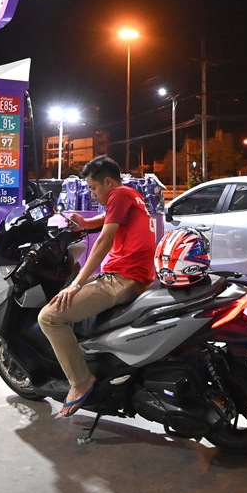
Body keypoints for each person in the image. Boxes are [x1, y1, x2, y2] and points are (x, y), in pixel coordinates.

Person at [40, 155, 156, 417]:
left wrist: (77, 284)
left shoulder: (118, 194)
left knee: (49, 317)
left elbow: (104, 240)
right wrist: (83, 223)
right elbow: (106, 220)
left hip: (122, 278)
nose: (92, 194)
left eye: (93, 188)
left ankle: (81, 380)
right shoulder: (130, 195)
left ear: (107, 182)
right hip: (137, 276)